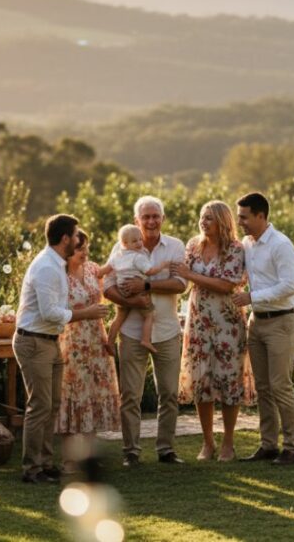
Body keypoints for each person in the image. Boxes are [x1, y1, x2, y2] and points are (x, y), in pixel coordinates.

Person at [13, 214, 107, 483]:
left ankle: (44, 463)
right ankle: (31, 469)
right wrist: (85, 313)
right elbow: (49, 311)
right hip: (33, 341)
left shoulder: (58, 264)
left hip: (49, 341)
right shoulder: (46, 267)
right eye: (77, 235)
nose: (80, 240)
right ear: (65, 238)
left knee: (51, 405)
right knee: (39, 406)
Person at [103, 196, 186, 466]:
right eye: (145, 217)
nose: (151, 221)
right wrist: (132, 301)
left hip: (167, 329)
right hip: (131, 330)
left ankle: (166, 449)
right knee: (130, 395)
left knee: (169, 394)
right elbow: (107, 287)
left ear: (162, 218)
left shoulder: (174, 246)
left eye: (155, 216)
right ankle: (131, 452)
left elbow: (180, 284)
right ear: (136, 220)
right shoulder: (122, 246)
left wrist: (147, 287)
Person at [172, 200, 255, 462]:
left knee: (229, 381)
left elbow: (226, 284)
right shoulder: (193, 245)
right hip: (198, 322)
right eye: (202, 217)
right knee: (201, 381)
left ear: (222, 221)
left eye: (209, 218)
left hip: (228, 323)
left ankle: (228, 443)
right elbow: (182, 279)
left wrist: (191, 275)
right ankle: (208, 442)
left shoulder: (234, 249)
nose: (203, 222)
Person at [232, 192, 294, 465]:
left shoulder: (281, 245)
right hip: (257, 322)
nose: (241, 222)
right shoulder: (248, 245)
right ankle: (268, 445)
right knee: (262, 386)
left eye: (244, 217)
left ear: (261, 216)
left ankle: (293, 448)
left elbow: (289, 286)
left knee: (280, 385)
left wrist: (252, 297)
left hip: (282, 322)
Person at [57, 230, 121, 474]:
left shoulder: (93, 269)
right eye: (79, 248)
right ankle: (69, 459)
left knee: (94, 393)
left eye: (86, 248)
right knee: (73, 396)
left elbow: (116, 269)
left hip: (96, 340)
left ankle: (89, 455)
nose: (84, 253)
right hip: (71, 341)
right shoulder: (60, 275)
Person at [102, 224, 171, 355]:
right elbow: (150, 271)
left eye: (140, 239)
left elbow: (105, 270)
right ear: (124, 243)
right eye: (135, 241)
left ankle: (110, 342)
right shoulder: (138, 257)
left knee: (119, 317)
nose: (139, 243)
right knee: (149, 315)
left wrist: (95, 272)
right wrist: (162, 265)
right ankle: (145, 339)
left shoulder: (117, 255)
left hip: (122, 289)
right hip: (136, 289)